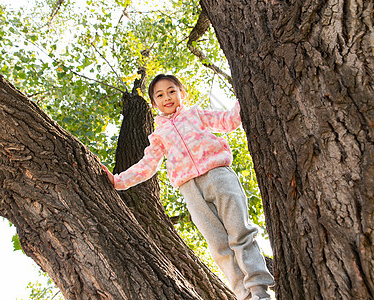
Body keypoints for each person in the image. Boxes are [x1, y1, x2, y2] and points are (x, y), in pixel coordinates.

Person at [102, 74, 274, 300]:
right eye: (160, 95)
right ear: (154, 104)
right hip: (190, 189)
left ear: (182, 94)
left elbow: (228, 121)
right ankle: (246, 296)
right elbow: (147, 165)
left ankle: (260, 291)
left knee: (240, 232)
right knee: (219, 245)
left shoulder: (196, 114)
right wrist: (118, 181)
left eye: (172, 91)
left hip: (218, 175)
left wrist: (244, 92)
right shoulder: (159, 135)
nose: (167, 97)